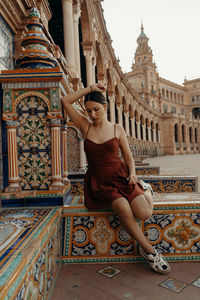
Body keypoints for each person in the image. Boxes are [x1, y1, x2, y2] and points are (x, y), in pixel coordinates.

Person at [62, 83, 170, 274]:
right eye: (89, 111)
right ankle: (150, 251)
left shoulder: (117, 129)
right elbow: (65, 100)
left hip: (121, 176)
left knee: (144, 213)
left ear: (105, 108)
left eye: (96, 109)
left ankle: (147, 189)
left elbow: (128, 157)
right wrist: (90, 89)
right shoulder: (85, 126)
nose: (92, 114)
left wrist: (133, 174)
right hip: (100, 182)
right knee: (121, 206)